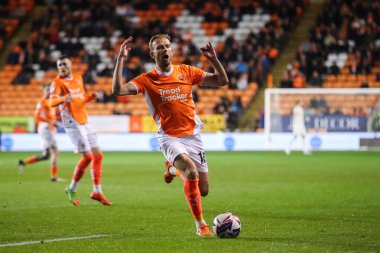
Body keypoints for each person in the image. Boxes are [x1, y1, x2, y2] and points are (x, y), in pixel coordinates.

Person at [112, 35, 229, 236]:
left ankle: (172, 170)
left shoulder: (186, 71)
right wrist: (120, 59)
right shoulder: (146, 80)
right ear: (153, 54)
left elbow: (222, 80)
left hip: (193, 136)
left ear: (172, 50)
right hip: (169, 137)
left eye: (167, 46)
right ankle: (201, 226)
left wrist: (214, 60)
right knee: (191, 171)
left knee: (204, 190)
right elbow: (118, 90)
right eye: (160, 48)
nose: (165, 50)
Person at [49, 55, 111, 206]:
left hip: (84, 120)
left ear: (70, 65)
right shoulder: (57, 82)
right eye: (59, 65)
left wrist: (91, 97)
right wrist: (64, 99)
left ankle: (97, 191)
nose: (62, 67)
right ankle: (71, 188)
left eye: (64, 64)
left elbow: (81, 98)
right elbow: (51, 101)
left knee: (98, 156)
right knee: (88, 157)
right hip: (72, 123)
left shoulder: (78, 78)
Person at [18, 82, 62, 182]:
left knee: (46, 155)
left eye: (50, 89)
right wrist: (50, 121)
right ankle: (53, 177)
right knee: (55, 151)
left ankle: (23, 163)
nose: (48, 91)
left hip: (50, 129)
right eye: (47, 89)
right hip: (45, 128)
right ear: (43, 90)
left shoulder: (52, 101)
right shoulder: (41, 102)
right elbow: (37, 117)